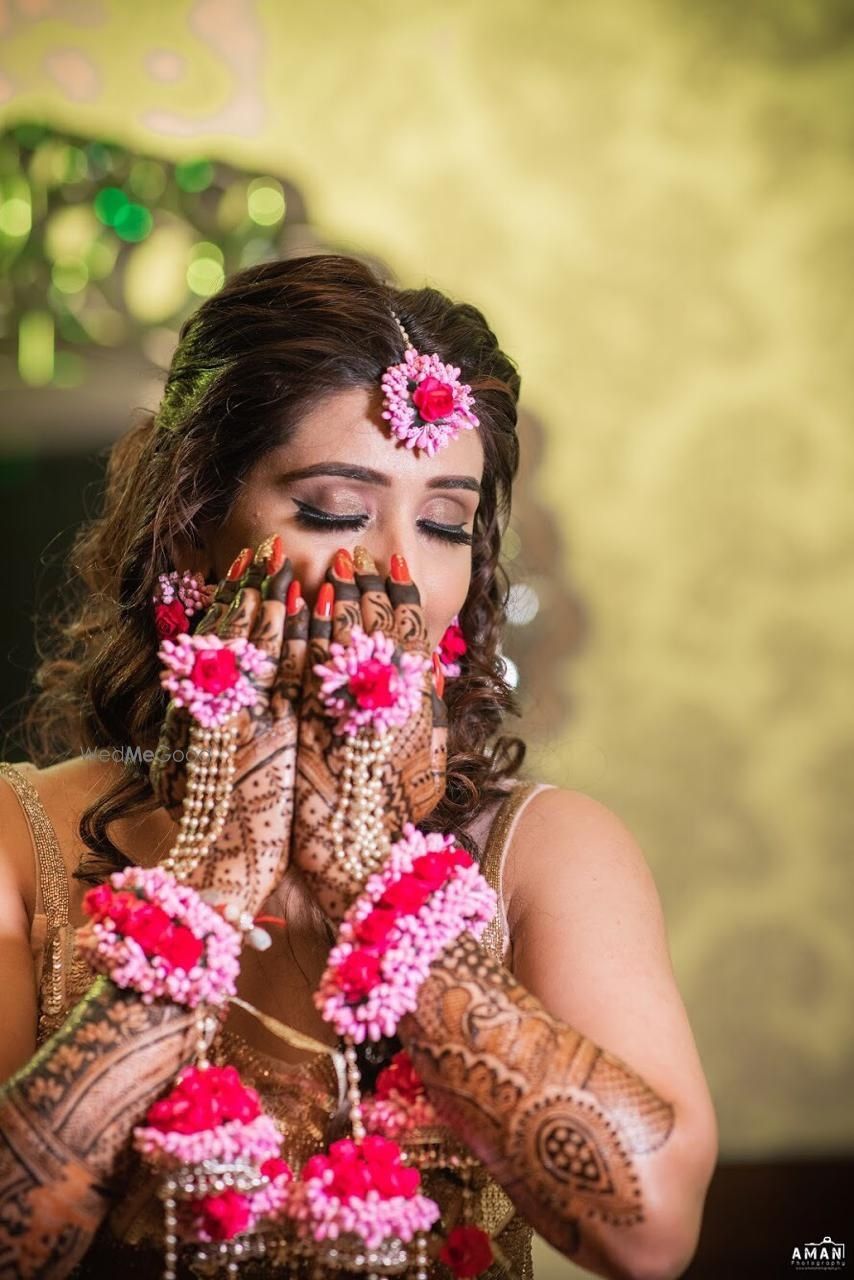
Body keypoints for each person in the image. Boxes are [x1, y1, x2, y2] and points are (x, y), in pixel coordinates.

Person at [0, 253, 717, 1279]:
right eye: (335, 508)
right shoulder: (20, 835)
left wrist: (372, 874)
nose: (396, 573)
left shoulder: (545, 850)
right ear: (192, 531)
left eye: (443, 523)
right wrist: (217, 867)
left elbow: (649, 1233)